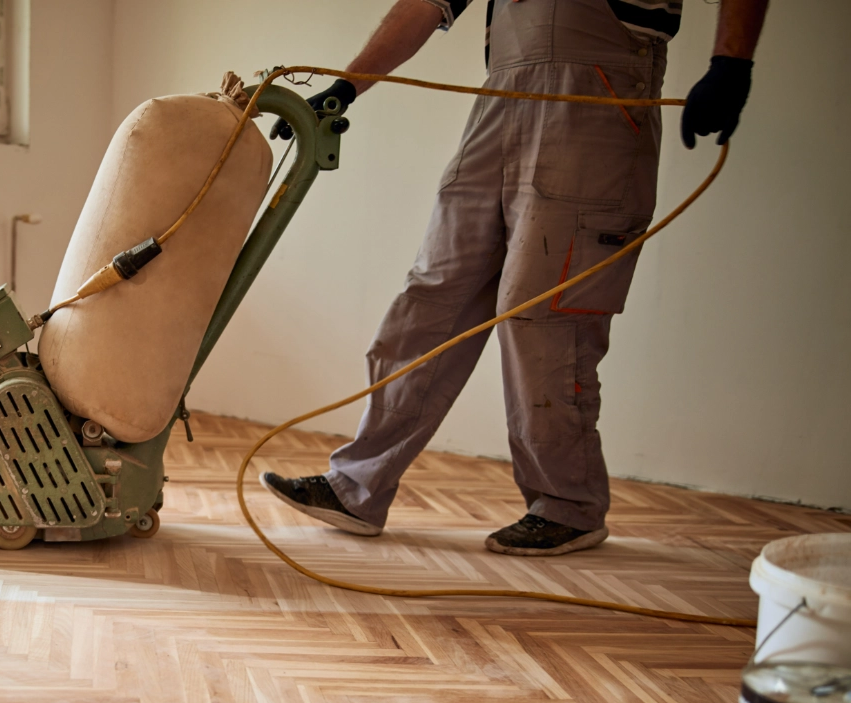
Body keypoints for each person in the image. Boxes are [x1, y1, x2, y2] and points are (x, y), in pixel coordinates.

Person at [261, 0, 769, 555]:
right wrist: (348, 86)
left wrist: (732, 64)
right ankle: (356, 487)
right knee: (432, 296)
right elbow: (425, 4)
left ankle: (568, 506)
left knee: (546, 312)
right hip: (501, 97)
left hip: (597, 96)